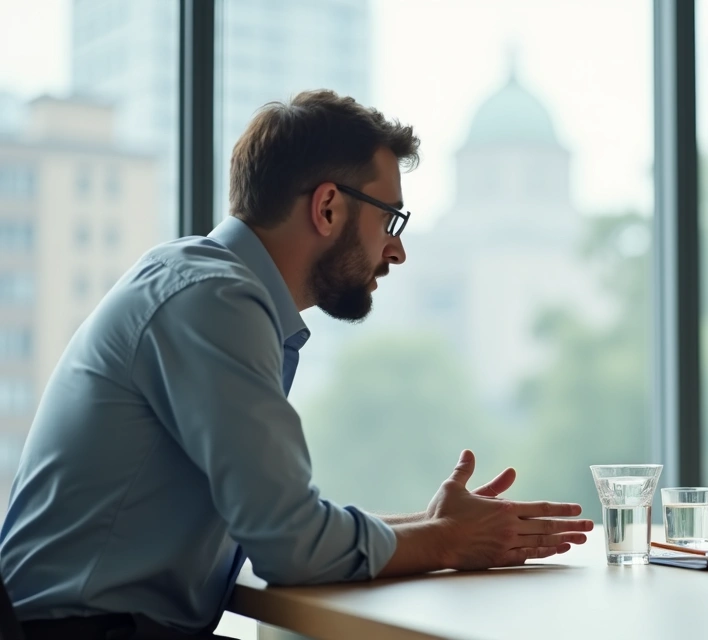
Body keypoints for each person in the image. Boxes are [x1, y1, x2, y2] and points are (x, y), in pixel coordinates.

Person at [0, 89, 593, 640]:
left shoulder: (205, 285)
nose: (397, 250)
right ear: (328, 207)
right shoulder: (214, 301)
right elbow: (292, 545)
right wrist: (445, 541)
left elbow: (285, 523)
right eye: (389, 219)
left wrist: (430, 524)